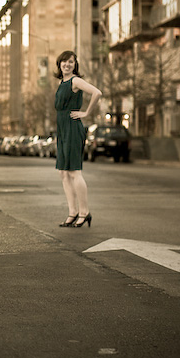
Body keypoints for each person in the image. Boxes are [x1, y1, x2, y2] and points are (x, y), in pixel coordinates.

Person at [54, 50, 102, 228]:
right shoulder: (61, 82)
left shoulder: (75, 81)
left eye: (71, 62)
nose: (67, 65)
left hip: (73, 128)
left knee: (74, 172)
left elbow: (97, 92)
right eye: (64, 62)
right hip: (62, 129)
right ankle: (72, 212)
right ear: (59, 64)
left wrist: (86, 113)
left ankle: (84, 212)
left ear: (75, 65)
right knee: (63, 173)